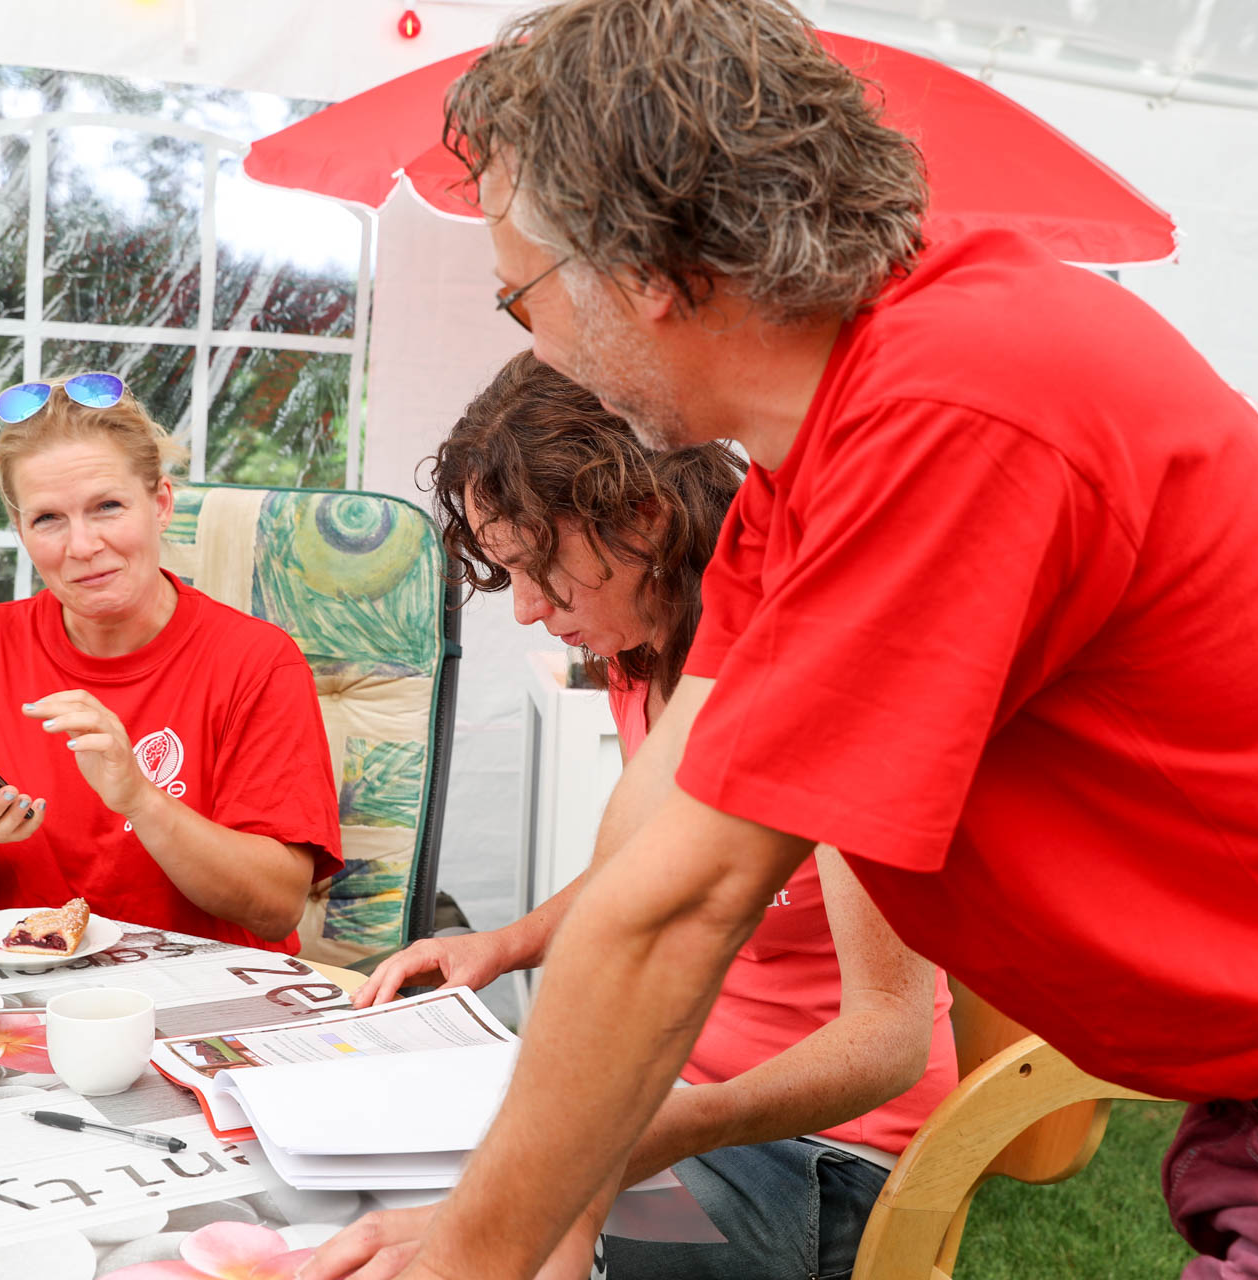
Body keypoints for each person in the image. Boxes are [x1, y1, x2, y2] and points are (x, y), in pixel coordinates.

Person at [303, 2, 1258, 1278]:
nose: (532, 341)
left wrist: (473, 1254)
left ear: (647, 267)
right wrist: (528, 1211)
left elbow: (682, 911)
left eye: (520, 295)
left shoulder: (955, 403)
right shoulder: (821, 449)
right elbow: (649, 854)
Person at [352, 350, 957, 1280]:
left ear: (642, 518)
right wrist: (502, 947)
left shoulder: (828, 674)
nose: (524, 610)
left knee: (504, 1242)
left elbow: (888, 1040)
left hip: (827, 1154)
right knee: (401, 1202)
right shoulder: (643, 658)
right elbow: (650, 874)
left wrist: (669, 1127)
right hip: (677, 1102)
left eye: (539, 566)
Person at [0, 373, 342, 954]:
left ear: (161, 503)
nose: (82, 546)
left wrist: (141, 799)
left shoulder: (258, 662)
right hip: (20, 983)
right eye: (48, 518)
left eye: (107, 507)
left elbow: (275, 909)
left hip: (196, 991)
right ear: (21, 530)